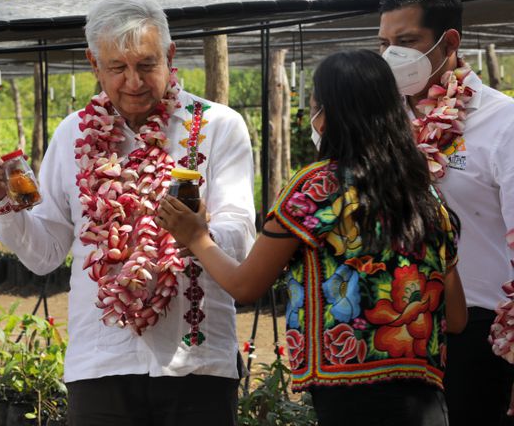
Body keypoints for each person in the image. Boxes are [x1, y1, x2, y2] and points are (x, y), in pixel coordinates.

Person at [0, 0, 256, 426]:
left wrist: (198, 235)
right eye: (117, 67)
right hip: (101, 363)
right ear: (94, 63)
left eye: (146, 65)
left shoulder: (218, 125)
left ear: (170, 55)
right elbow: (45, 254)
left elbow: (240, 237)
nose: (134, 82)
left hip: (196, 362)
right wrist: (2, 202)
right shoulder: (72, 134)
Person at [158, 49, 467, 426]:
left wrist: (196, 237)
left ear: (331, 114)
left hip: (349, 404)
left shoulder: (318, 187)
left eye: (315, 106)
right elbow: (456, 318)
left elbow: (245, 285)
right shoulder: (426, 196)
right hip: (427, 404)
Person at [378, 0, 514, 425]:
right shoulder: (383, 125)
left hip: (478, 332)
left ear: (449, 43)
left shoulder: (503, 123)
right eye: (384, 44)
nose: (392, 56)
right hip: (394, 325)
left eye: (406, 41)